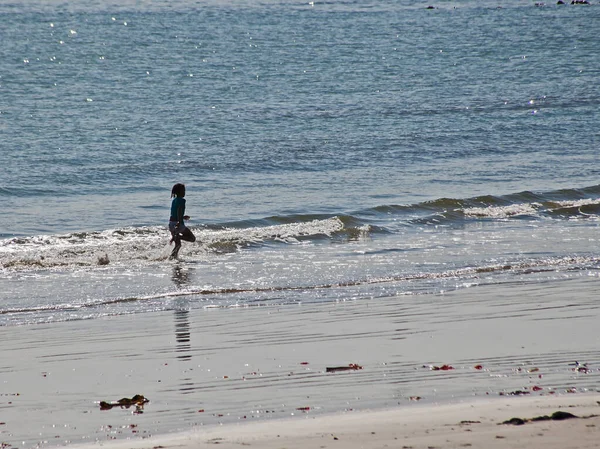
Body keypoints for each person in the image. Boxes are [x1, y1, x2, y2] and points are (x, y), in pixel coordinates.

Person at [169, 183, 196, 259]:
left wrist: (182, 217)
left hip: (171, 223)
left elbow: (174, 213)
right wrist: (180, 222)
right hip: (177, 223)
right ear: (180, 192)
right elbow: (179, 211)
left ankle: (172, 258)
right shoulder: (182, 200)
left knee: (178, 245)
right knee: (192, 238)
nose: (184, 192)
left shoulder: (174, 200)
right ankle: (178, 237)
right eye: (183, 190)